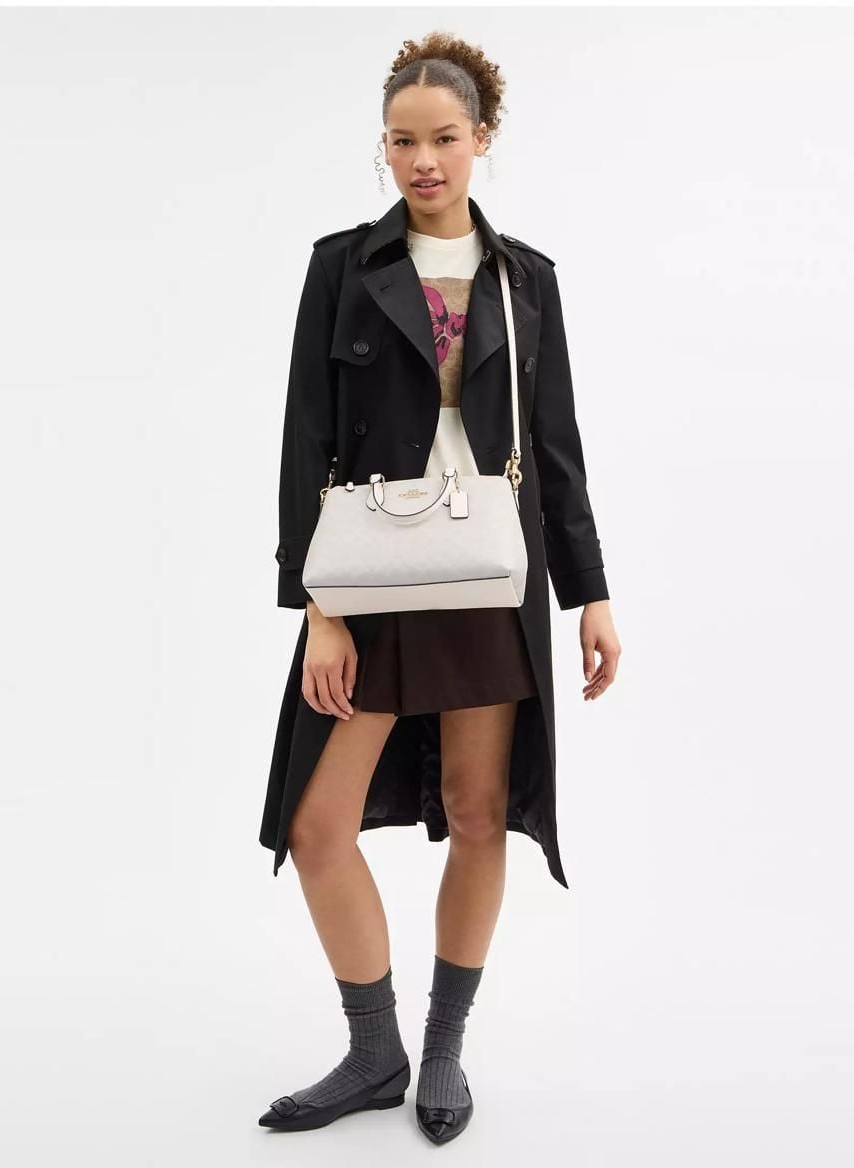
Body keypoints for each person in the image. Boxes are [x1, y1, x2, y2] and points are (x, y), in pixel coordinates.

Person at [258, 31, 622, 1143]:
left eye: (445, 139)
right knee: (317, 825)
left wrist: (591, 592)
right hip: (369, 581)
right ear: (383, 146)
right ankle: (374, 1052)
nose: (423, 160)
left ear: (482, 139)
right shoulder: (342, 268)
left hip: (486, 577)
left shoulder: (526, 281)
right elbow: (305, 442)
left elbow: (554, 449)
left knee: (477, 811)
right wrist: (318, 609)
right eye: (402, 141)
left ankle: (444, 1047)